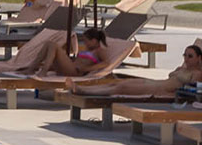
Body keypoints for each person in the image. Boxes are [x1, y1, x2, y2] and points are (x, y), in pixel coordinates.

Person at [70, 41, 202, 98]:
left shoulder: (197, 74)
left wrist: (166, 95)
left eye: (190, 56)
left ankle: (84, 92)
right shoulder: (181, 68)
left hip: (156, 90)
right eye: (185, 55)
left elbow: (189, 93)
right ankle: (83, 88)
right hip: (154, 83)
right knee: (119, 83)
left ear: (199, 58)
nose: (186, 58)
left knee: (121, 88)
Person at [43, 27, 110, 78]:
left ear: (94, 41)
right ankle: (38, 67)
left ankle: (43, 71)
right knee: (48, 43)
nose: (85, 43)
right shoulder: (87, 49)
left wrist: (87, 69)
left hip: (75, 72)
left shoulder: (99, 51)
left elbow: (106, 63)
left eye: (86, 41)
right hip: (69, 69)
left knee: (53, 45)